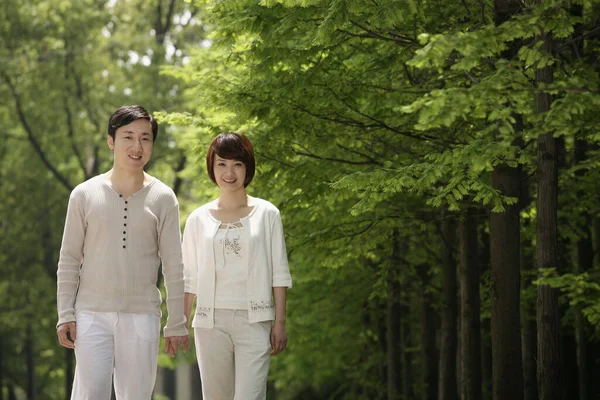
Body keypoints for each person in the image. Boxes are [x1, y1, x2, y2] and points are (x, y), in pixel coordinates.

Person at [56, 105, 189, 400]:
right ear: (111, 141)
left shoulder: (164, 198)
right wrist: (65, 313)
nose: (137, 146)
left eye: (145, 138)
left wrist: (176, 320)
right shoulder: (84, 194)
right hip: (91, 314)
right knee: (90, 395)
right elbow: (69, 259)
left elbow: (174, 265)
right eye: (128, 136)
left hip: (142, 316)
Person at [182, 132, 292, 400]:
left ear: (247, 168)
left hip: (255, 321)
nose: (229, 172)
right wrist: (181, 322)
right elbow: (189, 278)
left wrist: (279, 322)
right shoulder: (198, 219)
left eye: (237, 164)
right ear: (212, 167)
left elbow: (279, 271)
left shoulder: (268, 213)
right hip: (210, 322)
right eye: (222, 164)